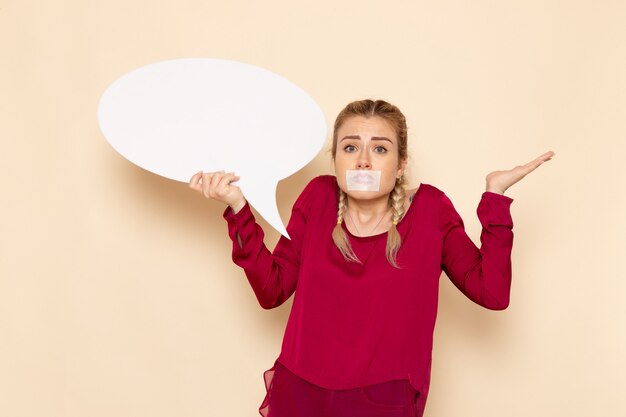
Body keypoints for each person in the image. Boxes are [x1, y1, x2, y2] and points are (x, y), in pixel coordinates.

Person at [188, 99, 555, 417]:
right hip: (300, 393)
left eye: (380, 149)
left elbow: (492, 293)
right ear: (335, 161)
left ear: (400, 164)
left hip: (384, 399)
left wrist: (495, 198)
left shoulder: (430, 210)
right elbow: (272, 291)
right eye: (350, 148)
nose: (363, 161)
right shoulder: (317, 197)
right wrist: (238, 208)